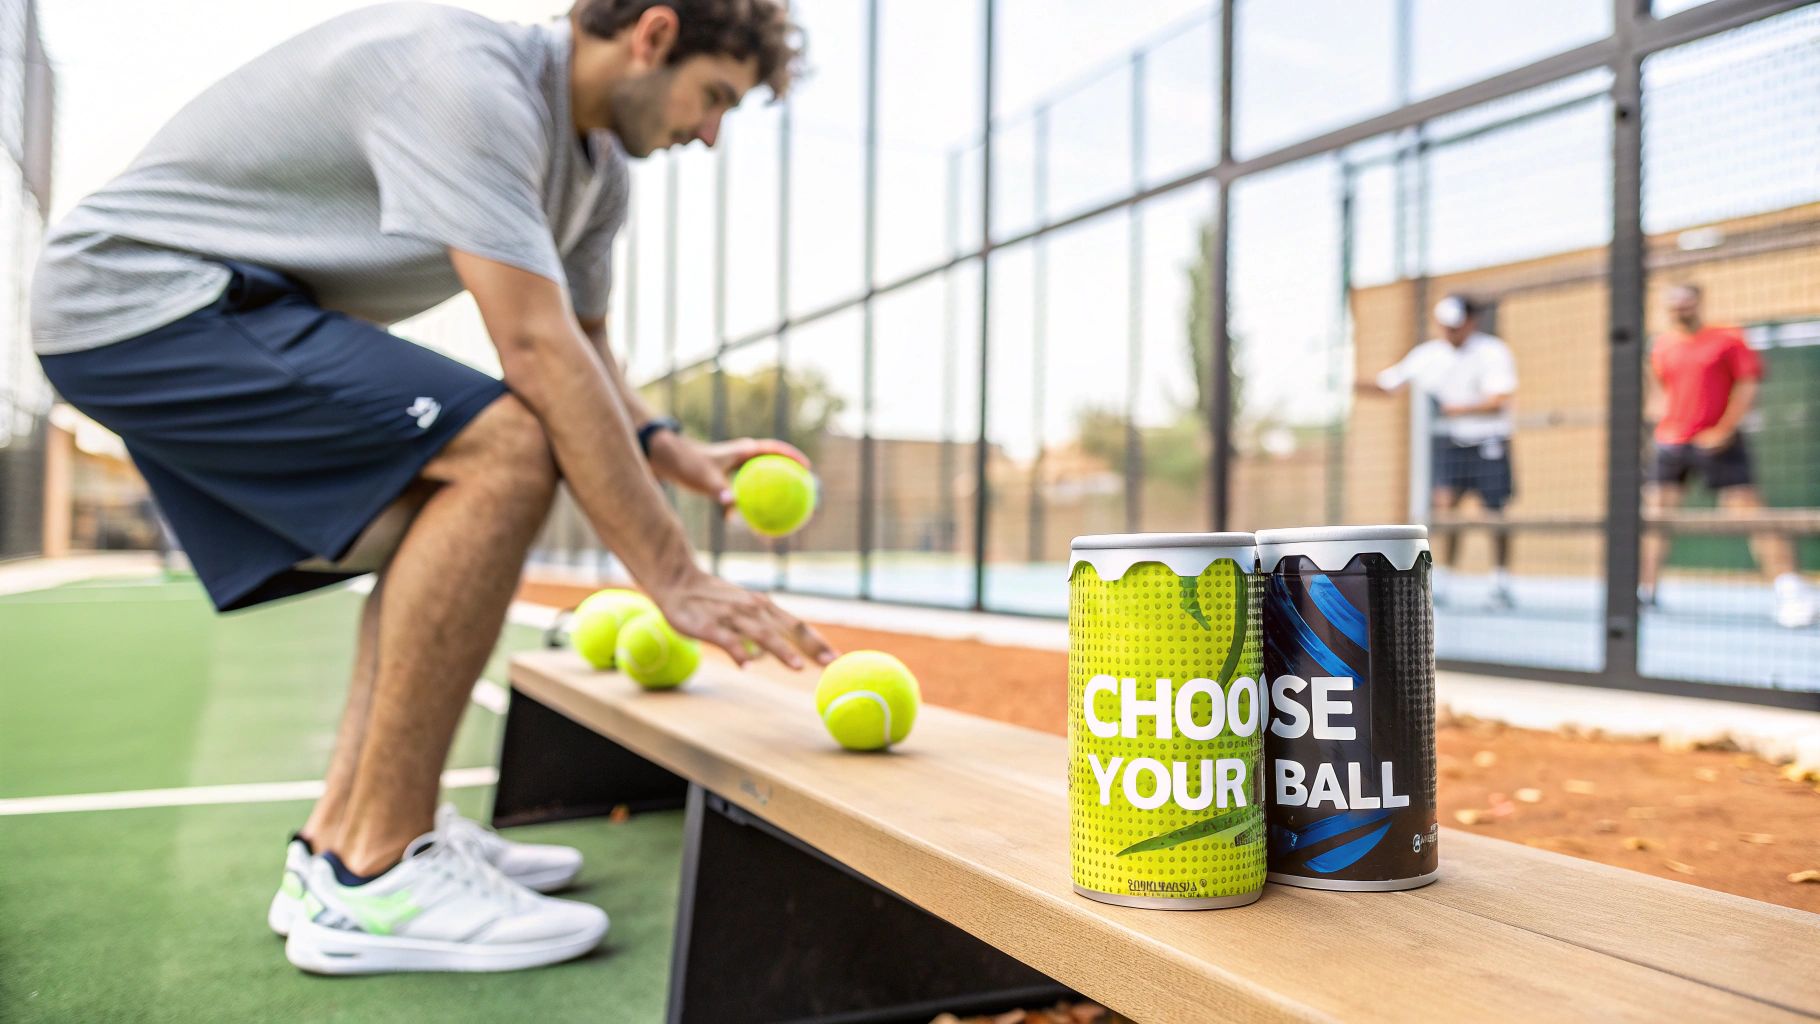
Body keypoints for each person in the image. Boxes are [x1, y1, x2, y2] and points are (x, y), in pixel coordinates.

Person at [30, 0, 835, 975]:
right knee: (506, 449)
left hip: (233, 309)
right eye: (713, 98)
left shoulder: (599, 175)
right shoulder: (470, 80)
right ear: (653, 36)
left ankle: (341, 843)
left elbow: (585, 346)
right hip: (138, 297)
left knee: (449, 509)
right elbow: (534, 349)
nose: (708, 134)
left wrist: (673, 450)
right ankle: (381, 867)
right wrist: (674, 575)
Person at [1642, 284, 1813, 629]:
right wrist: (1660, 427)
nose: (1680, 310)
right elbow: (1660, 392)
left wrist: (1724, 429)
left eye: (1685, 303)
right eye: (1673, 305)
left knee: (1750, 514)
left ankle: (1790, 590)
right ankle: (1644, 591)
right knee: (1655, 515)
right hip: (1672, 443)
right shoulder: (1662, 346)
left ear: (1697, 303)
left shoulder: (1728, 338)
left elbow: (1747, 386)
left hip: (1719, 441)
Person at [1359, 295, 1519, 608]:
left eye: (1456, 326)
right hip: (1451, 444)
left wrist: (1458, 409)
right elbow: (1387, 384)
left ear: (1471, 322)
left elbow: (1499, 398)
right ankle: (1443, 578)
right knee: (1445, 509)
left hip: (1489, 442)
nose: (1450, 332)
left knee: (1494, 513)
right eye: (1445, 326)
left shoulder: (1493, 351)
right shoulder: (1428, 355)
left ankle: (1500, 582)